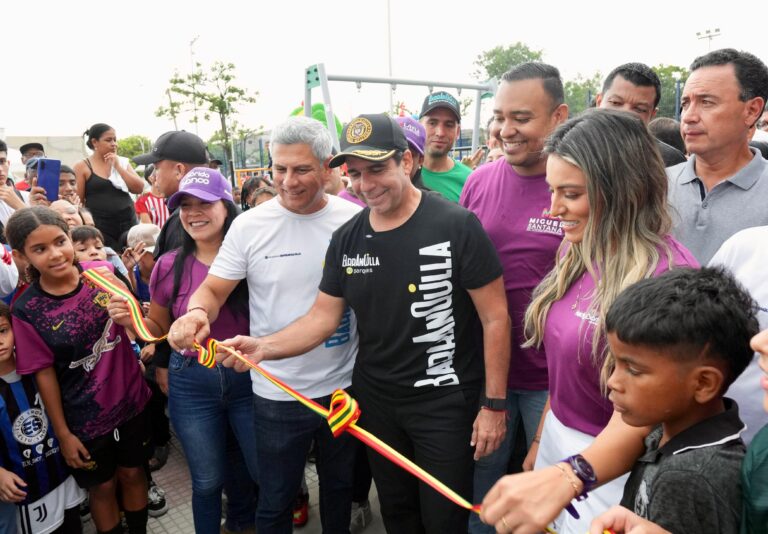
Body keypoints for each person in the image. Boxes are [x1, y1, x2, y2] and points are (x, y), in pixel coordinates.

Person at [176, 113, 511, 534]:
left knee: (443, 519)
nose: (365, 184)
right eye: (355, 173)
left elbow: (495, 316)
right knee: (396, 514)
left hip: (440, 403)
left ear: (406, 162)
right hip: (372, 404)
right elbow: (321, 317)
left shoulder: (456, 224)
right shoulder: (348, 237)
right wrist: (263, 347)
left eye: (377, 169)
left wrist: (493, 405)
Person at [490, 109, 697, 534]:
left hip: (613, 471)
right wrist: (540, 444)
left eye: (570, 193)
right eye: (551, 191)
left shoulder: (667, 278)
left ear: (621, 190)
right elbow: (563, 367)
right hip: (561, 450)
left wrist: (568, 476)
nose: (554, 209)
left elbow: (639, 419)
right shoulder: (577, 249)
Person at [166, 117, 361, 534]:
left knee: (339, 489)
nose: (288, 181)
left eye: (302, 169)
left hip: (343, 385)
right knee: (275, 499)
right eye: (279, 169)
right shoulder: (250, 225)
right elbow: (214, 290)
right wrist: (197, 313)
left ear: (328, 166)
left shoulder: (354, 220)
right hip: (276, 389)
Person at [107, 167, 257, 534]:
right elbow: (157, 330)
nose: (193, 213)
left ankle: (243, 524)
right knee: (206, 480)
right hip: (191, 382)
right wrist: (132, 323)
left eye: (204, 203)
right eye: (184, 205)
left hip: (250, 378)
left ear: (227, 205)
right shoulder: (169, 265)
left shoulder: (254, 257)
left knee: (253, 470)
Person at [460, 61, 569, 534]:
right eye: (500, 116)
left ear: (558, 117)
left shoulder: (580, 188)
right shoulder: (480, 180)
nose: (507, 129)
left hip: (556, 380)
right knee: (484, 492)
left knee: (550, 494)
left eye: (521, 118)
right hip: (488, 376)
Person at [7, 206, 151, 534]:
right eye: (40, 249)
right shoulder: (27, 309)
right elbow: (43, 374)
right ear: (21, 255)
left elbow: (137, 325)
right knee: (101, 488)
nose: (56, 254)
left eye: (60, 242)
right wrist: (64, 434)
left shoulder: (101, 273)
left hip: (132, 401)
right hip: (84, 419)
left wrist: (130, 317)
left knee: (133, 474)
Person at [605, 267, 756, 533]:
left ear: (703, 384)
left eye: (634, 370)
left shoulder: (688, 476)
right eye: (615, 363)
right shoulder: (667, 425)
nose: (613, 381)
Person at [667, 48, 768, 264]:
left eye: (707, 102)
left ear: (751, 110)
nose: (689, 117)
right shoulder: (656, 185)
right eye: (686, 103)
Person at [0, 301, 86, 534]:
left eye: (3, 330)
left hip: (61, 471)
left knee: (73, 525)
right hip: (25, 489)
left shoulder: (39, 369)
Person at [595, 63, 686, 166]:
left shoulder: (668, 161)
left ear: (652, 114)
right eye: (616, 103)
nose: (625, 114)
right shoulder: (575, 148)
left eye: (639, 109)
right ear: (599, 101)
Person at [72, 124, 145, 250]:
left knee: (134, 256)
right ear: (94, 142)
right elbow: (79, 200)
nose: (114, 144)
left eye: (115, 140)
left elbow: (138, 188)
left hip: (129, 222)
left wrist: (117, 167)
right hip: (101, 226)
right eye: (108, 140)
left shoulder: (122, 162)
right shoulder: (82, 166)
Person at [418, 91, 473, 202]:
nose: (440, 133)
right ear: (419, 126)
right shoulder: (404, 173)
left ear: (457, 132)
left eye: (449, 125)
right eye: (432, 123)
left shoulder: (470, 180)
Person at [0, 141, 29, 226]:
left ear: (8, 164)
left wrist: (20, 206)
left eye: (2, 161)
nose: (0, 169)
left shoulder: (27, 197)